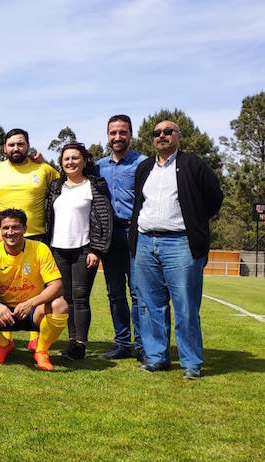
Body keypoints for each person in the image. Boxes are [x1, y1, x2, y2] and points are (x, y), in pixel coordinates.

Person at [129, 120, 223, 379]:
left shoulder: (193, 164)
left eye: (168, 132)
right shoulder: (145, 168)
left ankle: (191, 362)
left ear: (179, 136)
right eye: (157, 133)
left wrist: (195, 220)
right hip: (146, 242)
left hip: (180, 243)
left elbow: (215, 198)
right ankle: (157, 357)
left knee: (186, 306)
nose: (162, 136)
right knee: (150, 305)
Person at [0, 209, 69, 371]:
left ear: (25, 229)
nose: (10, 232)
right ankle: (3, 345)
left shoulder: (40, 249)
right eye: (6, 228)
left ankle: (41, 350)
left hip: (33, 311)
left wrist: (31, 303)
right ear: (0, 230)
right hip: (4, 313)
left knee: (60, 305)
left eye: (15, 227)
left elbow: (56, 286)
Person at [0, 128, 59, 351]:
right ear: (4, 148)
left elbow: (66, 180)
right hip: (4, 236)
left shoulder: (44, 169)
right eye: (11, 145)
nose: (16, 148)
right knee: (6, 287)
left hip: (36, 235)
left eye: (20, 144)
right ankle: (5, 339)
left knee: (35, 289)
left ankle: (36, 339)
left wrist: (46, 160)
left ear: (28, 146)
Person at [45, 143, 113, 360]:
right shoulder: (56, 187)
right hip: (58, 249)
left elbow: (104, 219)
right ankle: (72, 342)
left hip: (85, 249)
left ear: (84, 161)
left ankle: (80, 345)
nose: (70, 162)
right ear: (61, 163)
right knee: (67, 298)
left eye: (75, 158)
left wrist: (97, 249)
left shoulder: (94, 185)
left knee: (80, 297)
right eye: (66, 159)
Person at [95, 115, 148, 361]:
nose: (117, 137)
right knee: (114, 292)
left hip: (135, 232)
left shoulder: (144, 163)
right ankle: (122, 343)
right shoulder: (98, 166)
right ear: (107, 135)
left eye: (122, 132)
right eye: (113, 133)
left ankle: (142, 345)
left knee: (138, 292)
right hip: (110, 235)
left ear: (130, 134)